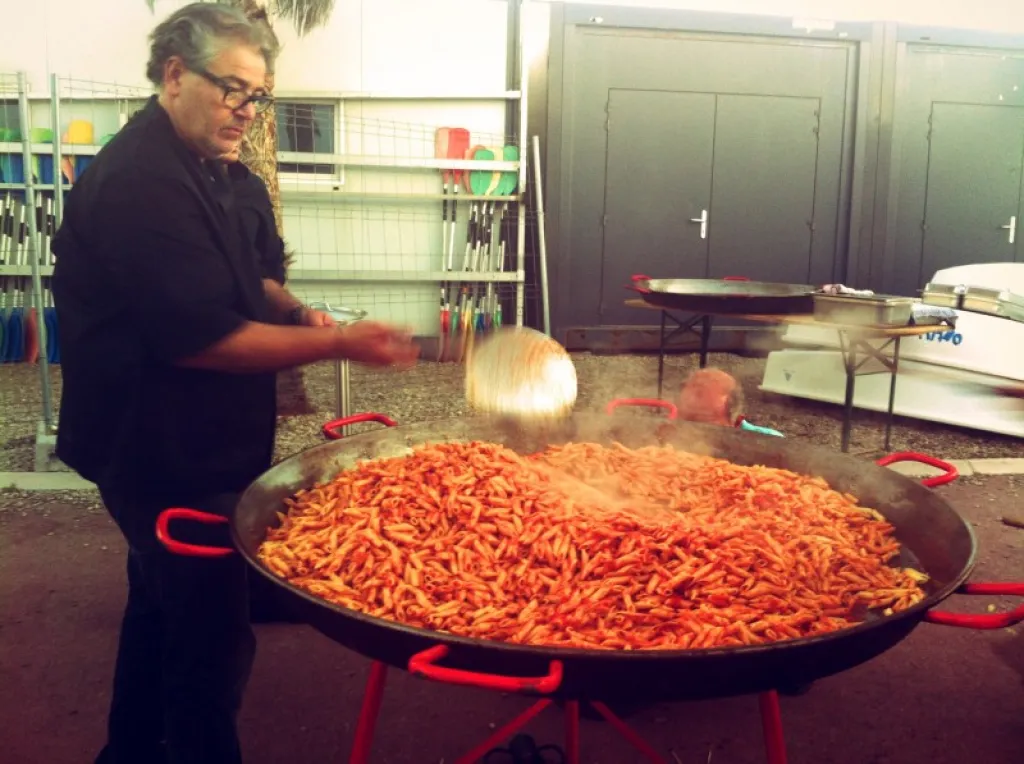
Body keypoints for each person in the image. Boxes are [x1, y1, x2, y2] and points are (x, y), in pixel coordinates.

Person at [50, 5, 418, 764]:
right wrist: (340, 343)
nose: (247, 111)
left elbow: (246, 278)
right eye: (233, 89)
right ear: (174, 75)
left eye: (258, 96)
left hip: (197, 444)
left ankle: (129, 752)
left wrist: (298, 312)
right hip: (158, 452)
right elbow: (202, 342)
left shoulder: (208, 169)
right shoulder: (142, 184)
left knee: (159, 611)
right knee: (209, 640)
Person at [676, 367, 783, 437]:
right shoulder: (670, 442)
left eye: (704, 420)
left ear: (735, 421)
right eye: (685, 419)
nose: (693, 430)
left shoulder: (771, 442)